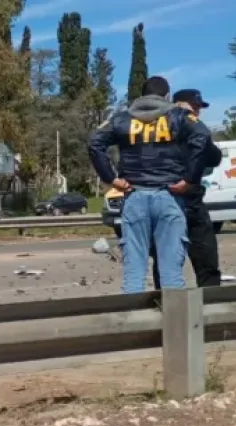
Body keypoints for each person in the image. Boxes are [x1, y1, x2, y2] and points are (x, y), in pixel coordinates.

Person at [88, 76, 211, 293]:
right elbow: (202, 136)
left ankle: (133, 314)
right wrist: (189, 179)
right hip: (169, 196)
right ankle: (173, 315)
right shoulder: (179, 116)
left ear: (142, 95)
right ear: (167, 96)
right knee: (171, 273)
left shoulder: (121, 118)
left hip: (134, 196)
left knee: (134, 272)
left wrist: (111, 178)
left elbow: (95, 141)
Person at [150, 89, 223, 289]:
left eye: (198, 108)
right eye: (193, 107)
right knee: (166, 261)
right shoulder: (164, 128)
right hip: (169, 198)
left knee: (207, 258)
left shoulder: (196, 130)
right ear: (178, 105)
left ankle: (210, 302)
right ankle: (165, 302)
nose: (196, 112)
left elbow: (215, 157)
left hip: (191, 201)